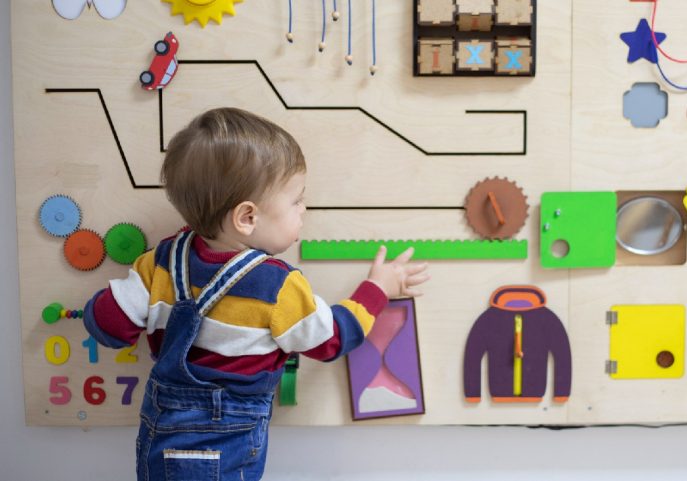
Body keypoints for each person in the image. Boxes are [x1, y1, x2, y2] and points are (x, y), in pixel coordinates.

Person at [82, 107, 429, 481]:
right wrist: (377, 289)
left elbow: (107, 327)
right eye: (296, 200)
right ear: (247, 217)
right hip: (229, 436)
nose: (304, 209)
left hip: (162, 432)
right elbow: (332, 340)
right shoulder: (277, 286)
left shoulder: (160, 261)